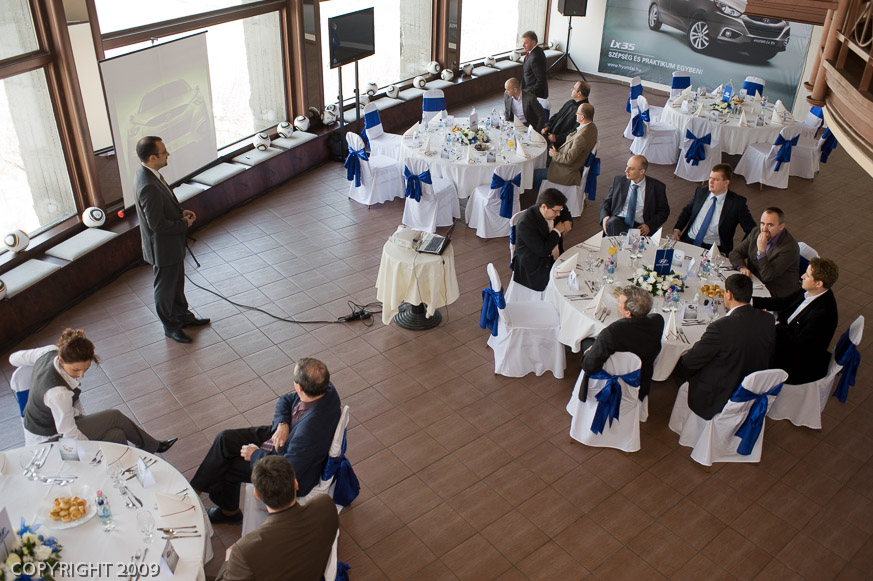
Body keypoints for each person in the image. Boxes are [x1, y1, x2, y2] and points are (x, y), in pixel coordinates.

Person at [191, 357, 341, 524]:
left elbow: (286, 472)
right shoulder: (326, 389)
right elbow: (286, 400)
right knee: (225, 438)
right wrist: (282, 424)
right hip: (283, 438)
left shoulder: (309, 432)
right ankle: (194, 490)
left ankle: (229, 513)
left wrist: (255, 455)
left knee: (229, 467)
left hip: (288, 471)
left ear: (299, 387)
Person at [11, 328, 177, 452]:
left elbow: (13, 359)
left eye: (86, 369)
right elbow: (68, 433)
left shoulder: (47, 352)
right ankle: (151, 447)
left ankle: (126, 469)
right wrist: (90, 451)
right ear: (61, 361)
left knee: (117, 434)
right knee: (115, 416)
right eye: (76, 370)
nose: (81, 375)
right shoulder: (58, 393)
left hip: (50, 427)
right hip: (51, 440)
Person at [135, 135, 210, 344]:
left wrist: (180, 213)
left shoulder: (151, 175)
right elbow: (157, 225)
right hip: (162, 248)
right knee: (165, 289)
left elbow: (163, 206)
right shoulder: (147, 185)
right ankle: (170, 326)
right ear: (152, 157)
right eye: (163, 152)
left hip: (170, 245)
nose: (168, 154)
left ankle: (182, 316)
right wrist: (183, 224)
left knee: (176, 283)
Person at [215, 455, 339, 581]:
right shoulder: (325, 505)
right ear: (296, 484)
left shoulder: (244, 551)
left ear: (257, 494)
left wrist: (227, 562)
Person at [673, 274, 776, 420]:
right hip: (751, 385)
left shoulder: (721, 327)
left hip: (721, 393)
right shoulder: (768, 319)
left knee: (681, 364)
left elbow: (690, 361)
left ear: (729, 294)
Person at [752, 257, 839, 384]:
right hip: (784, 336)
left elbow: (798, 348)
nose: (802, 276)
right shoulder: (808, 290)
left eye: (807, 275)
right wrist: (749, 300)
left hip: (794, 361)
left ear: (818, 283)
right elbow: (783, 302)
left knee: (748, 346)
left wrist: (774, 324)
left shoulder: (823, 314)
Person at [580, 286, 664, 401]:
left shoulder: (613, 332)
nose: (617, 301)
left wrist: (591, 350)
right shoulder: (658, 321)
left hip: (606, 385)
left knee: (586, 340)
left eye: (619, 302)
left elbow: (589, 367)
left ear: (628, 313)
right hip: (640, 382)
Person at [671, 164, 755, 255]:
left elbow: (752, 230)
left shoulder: (737, 203)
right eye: (710, 178)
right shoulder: (701, 192)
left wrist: (740, 251)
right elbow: (687, 211)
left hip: (713, 248)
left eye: (716, 179)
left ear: (726, 183)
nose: (710, 182)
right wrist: (678, 228)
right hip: (689, 240)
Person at [729, 207, 800, 298]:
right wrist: (742, 268)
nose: (764, 229)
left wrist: (761, 251)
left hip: (774, 292)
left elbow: (767, 276)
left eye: (770, 225)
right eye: (762, 223)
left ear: (781, 227)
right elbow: (735, 253)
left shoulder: (789, 248)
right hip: (754, 282)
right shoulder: (756, 232)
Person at [511, 188, 570, 292]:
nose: (559, 214)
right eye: (556, 211)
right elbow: (542, 251)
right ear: (544, 207)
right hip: (534, 267)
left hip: (555, 257)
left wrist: (567, 220)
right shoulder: (526, 224)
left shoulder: (553, 209)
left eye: (559, 210)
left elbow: (564, 209)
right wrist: (556, 231)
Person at [532, 103, 597, 191]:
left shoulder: (581, 137)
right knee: (541, 160)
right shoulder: (592, 127)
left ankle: (546, 194)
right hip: (569, 161)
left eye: (577, 113)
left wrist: (554, 154)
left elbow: (568, 160)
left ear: (582, 117)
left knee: (535, 174)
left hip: (568, 171)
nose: (576, 114)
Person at [600, 155, 670, 236]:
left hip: (640, 225)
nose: (626, 170)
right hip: (618, 220)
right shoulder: (619, 181)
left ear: (642, 171)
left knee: (627, 238)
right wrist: (605, 216)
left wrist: (649, 225)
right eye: (627, 166)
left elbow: (664, 211)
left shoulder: (657, 187)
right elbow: (606, 201)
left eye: (631, 168)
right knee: (613, 222)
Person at [542, 81, 590, 147]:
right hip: (551, 135)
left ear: (579, 93)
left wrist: (557, 138)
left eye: (574, 88)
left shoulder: (583, 111)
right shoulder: (570, 102)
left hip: (560, 144)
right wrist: (547, 126)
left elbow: (576, 131)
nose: (571, 89)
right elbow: (557, 115)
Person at [521, 30, 548, 99]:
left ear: (533, 43)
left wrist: (530, 93)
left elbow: (540, 79)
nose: (523, 45)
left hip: (534, 94)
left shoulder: (536, 57)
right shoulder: (535, 51)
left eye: (526, 43)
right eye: (523, 42)